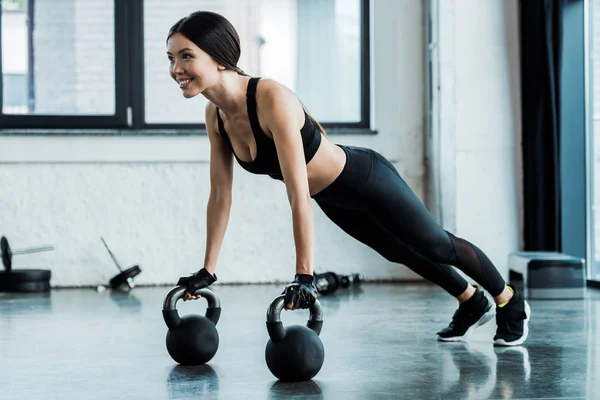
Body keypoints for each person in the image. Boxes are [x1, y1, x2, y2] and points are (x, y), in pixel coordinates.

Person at [169, 10, 530, 346]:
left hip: (366, 180)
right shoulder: (215, 116)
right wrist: (207, 271)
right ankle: (471, 301)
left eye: (186, 56)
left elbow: (297, 195)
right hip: (334, 198)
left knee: (436, 245)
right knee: (397, 250)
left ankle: (509, 301)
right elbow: (220, 196)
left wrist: (304, 276)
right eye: (171, 58)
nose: (176, 68)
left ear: (218, 57)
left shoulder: (270, 98)